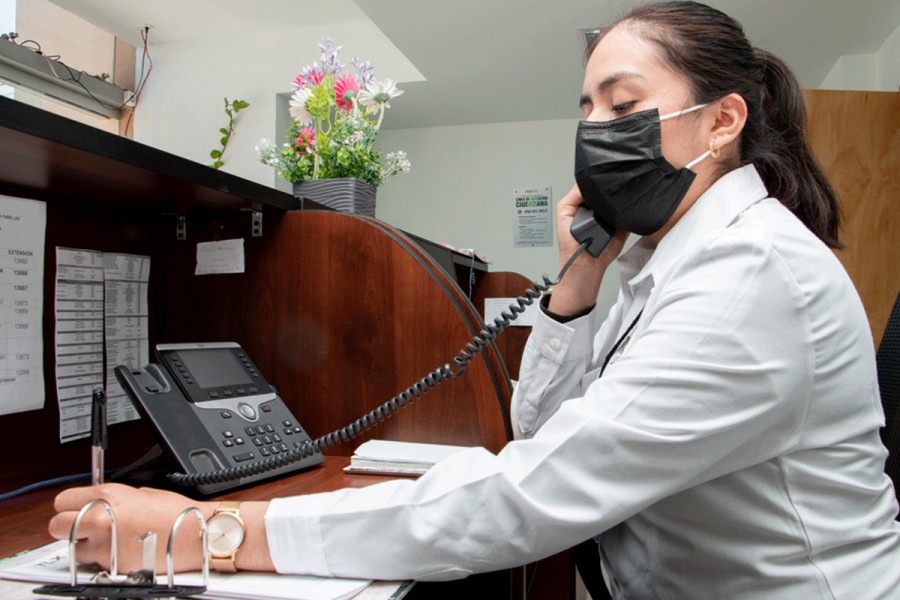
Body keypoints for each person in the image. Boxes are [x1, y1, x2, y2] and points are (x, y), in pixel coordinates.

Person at [50, 2, 899, 597]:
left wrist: (204, 535)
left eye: (625, 105)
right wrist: (575, 283)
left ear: (722, 124)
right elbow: (544, 435)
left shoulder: (748, 276)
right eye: (587, 109)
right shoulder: (664, 261)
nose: (597, 131)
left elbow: (534, 492)